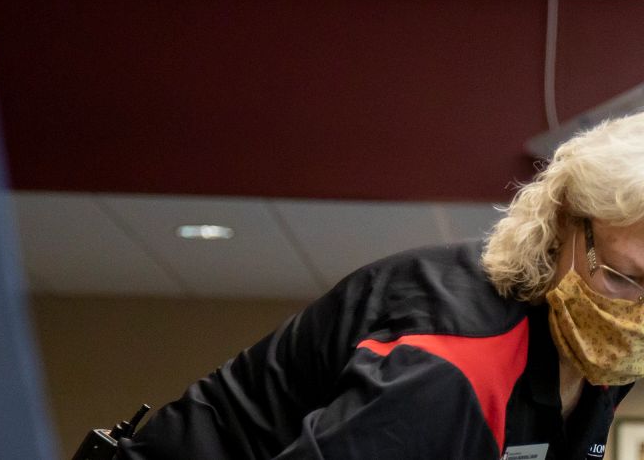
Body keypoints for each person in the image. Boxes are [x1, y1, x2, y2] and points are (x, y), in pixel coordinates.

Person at [114, 112, 644, 460]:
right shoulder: (450, 366)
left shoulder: (597, 346)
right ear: (563, 222)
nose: (637, 316)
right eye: (626, 277)